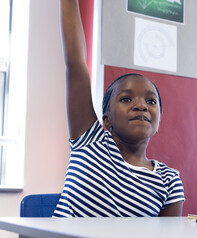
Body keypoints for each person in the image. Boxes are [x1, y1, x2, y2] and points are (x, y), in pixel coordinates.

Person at [53, 0, 185, 217]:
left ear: (159, 120)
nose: (141, 105)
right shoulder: (90, 141)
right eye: (126, 100)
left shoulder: (169, 180)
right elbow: (76, 64)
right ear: (107, 120)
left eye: (151, 102)